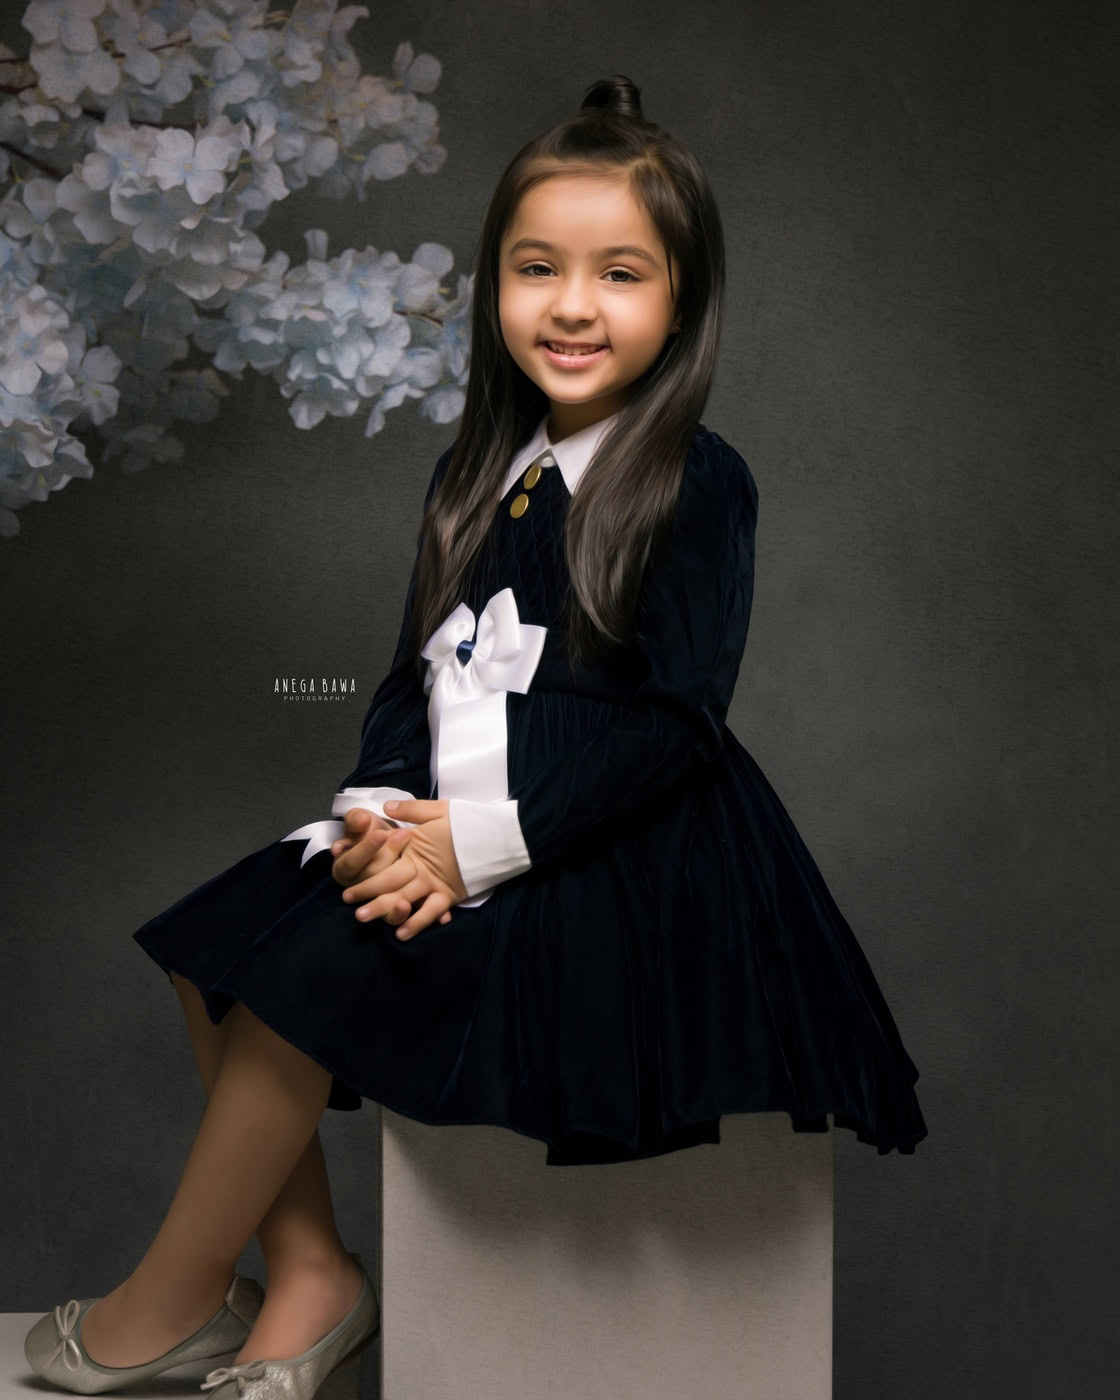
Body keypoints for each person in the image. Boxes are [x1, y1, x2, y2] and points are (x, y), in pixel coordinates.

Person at [25, 73, 927, 1400]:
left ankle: (164, 1301)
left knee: (309, 985)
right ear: (493, 287)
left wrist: (475, 848)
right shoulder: (471, 475)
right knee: (220, 943)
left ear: (681, 300)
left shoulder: (695, 477)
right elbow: (410, 681)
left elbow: (677, 727)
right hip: (445, 818)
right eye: (535, 269)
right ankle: (314, 1280)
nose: (572, 305)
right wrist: (377, 812)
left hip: (607, 848)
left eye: (620, 273)